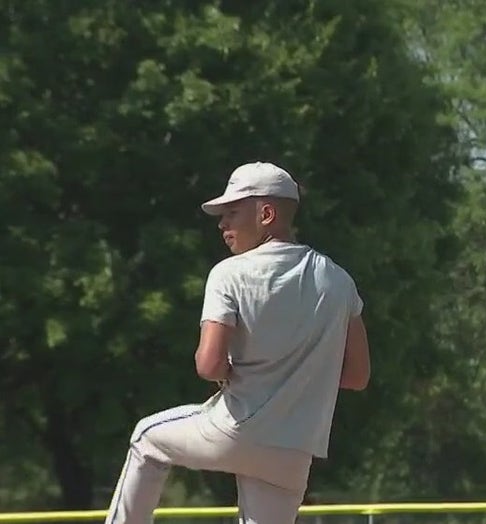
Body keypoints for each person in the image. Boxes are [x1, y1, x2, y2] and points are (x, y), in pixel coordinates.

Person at [104, 161, 371, 524]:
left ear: (266, 213)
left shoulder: (229, 274)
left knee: (146, 440)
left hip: (233, 430)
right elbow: (357, 376)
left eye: (232, 212)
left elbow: (209, 365)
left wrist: (236, 372)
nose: (222, 224)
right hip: (294, 452)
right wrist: (299, 375)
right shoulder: (340, 282)